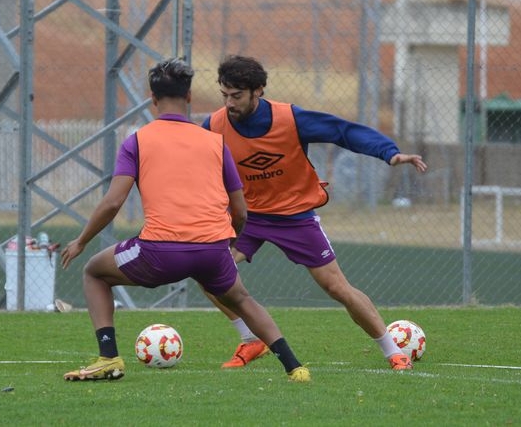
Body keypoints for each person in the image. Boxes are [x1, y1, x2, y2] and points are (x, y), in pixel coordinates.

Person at [61, 58, 310, 383]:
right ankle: (295, 367)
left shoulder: (137, 141)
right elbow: (241, 211)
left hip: (160, 252)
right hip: (212, 250)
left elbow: (113, 202)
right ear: (189, 96)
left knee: (94, 272)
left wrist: (81, 241)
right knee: (242, 299)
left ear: (152, 99)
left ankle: (108, 357)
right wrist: (228, 244)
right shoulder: (215, 142)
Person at [201, 55, 428, 371]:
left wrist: (389, 153)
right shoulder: (214, 125)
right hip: (248, 218)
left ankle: (394, 353)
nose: (229, 103)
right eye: (224, 95)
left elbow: (342, 131)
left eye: (236, 96)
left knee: (337, 287)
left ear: (258, 91)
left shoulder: (291, 119)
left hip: (295, 217)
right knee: (206, 270)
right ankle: (251, 339)